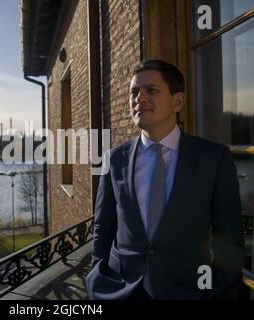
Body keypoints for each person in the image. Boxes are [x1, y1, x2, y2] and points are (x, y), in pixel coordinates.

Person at [85, 59, 245, 300]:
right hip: (122, 291)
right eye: (134, 92)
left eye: (151, 90)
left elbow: (230, 237)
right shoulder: (114, 159)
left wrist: (219, 292)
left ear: (177, 101)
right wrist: (98, 278)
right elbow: (103, 226)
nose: (139, 98)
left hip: (188, 292)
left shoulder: (214, 158)